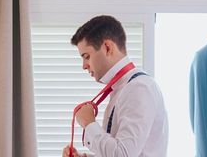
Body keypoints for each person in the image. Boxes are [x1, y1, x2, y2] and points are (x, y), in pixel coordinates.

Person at [62, 15, 169, 157]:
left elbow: (123, 154)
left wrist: (89, 124)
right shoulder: (123, 88)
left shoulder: (139, 88)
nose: (84, 66)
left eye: (87, 56)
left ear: (107, 47)